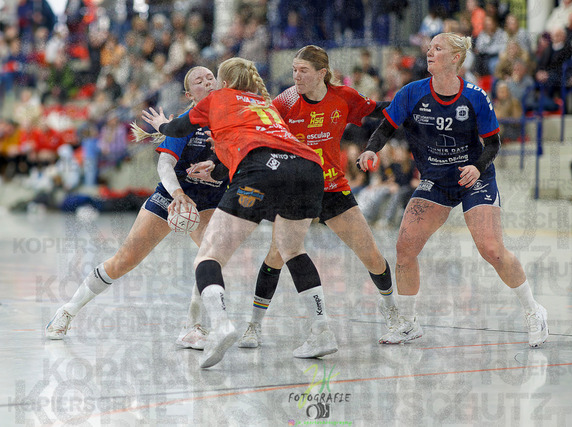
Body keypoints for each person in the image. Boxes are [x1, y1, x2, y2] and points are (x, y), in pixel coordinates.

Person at [202, 45, 418, 348]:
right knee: (276, 255)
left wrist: (412, 104)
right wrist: (217, 165)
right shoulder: (285, 102)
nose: (296, 76)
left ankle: (392, 312)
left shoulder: (343, 97)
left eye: (303, 70)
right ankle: (254, 326)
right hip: (297, 188)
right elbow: (254, 137)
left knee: (369, 252)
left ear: (321, 73)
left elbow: (378, 109)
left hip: (332, 188)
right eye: (293, 70)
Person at [141, 57, 337, 368]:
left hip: (261, 169)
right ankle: (322, 330)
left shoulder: (219, 97)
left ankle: (220, 325)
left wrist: (161, 126)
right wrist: (217, 169)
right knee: (292, 250)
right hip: (309, 168)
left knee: (208, 256)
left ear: (224, 82)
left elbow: (178, 128)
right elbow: (258, 144)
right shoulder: (263, 104)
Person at [357, 32, 549, 348]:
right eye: (429, 47)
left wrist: (477, 167)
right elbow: (386, 127)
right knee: (405, 248)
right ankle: (408, 323)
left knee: (492, 250)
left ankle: (534, 311)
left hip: (474, 177)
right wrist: (370, 149)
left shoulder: (475, 96)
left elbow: (493, 143)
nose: (429, 52)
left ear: (456, 58)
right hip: (436, 180)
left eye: (438, 48)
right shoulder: (412, 93)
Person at [45, 66, 229, 351]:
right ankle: (68, 310)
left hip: (209, 200)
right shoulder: (184, 123)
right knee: (125, 260)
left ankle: (194, 328)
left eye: (210, 78)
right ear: (188, 94)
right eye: (198, 81)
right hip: (172, 196)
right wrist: (178, 193)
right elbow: (164, 165)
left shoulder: (231, 119)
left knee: (210, 257)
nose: (207, 82)